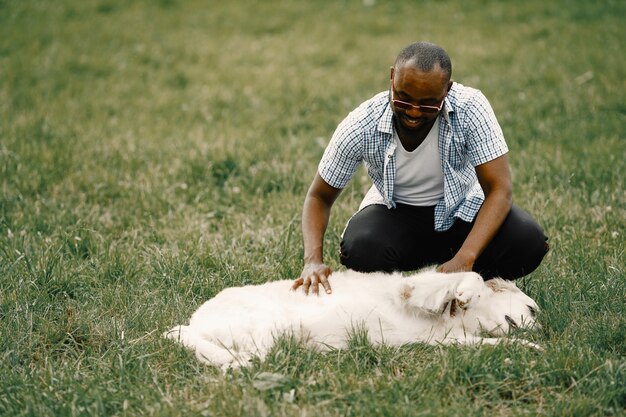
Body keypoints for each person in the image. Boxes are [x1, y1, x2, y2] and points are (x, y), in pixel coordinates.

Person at [292, 41, 549, 295]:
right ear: (392, 78)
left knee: (528, 241)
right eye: (403, 99)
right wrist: (312, 260)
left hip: (462, 211)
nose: (414, 112)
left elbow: (499, 189)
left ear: (446, 90)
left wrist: (465, 257)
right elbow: (319, 196)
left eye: (428, 104)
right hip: (397, 215)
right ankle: (402, 293)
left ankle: (470, 285)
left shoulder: (471, 107)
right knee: (361, 248)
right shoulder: (363, 123)